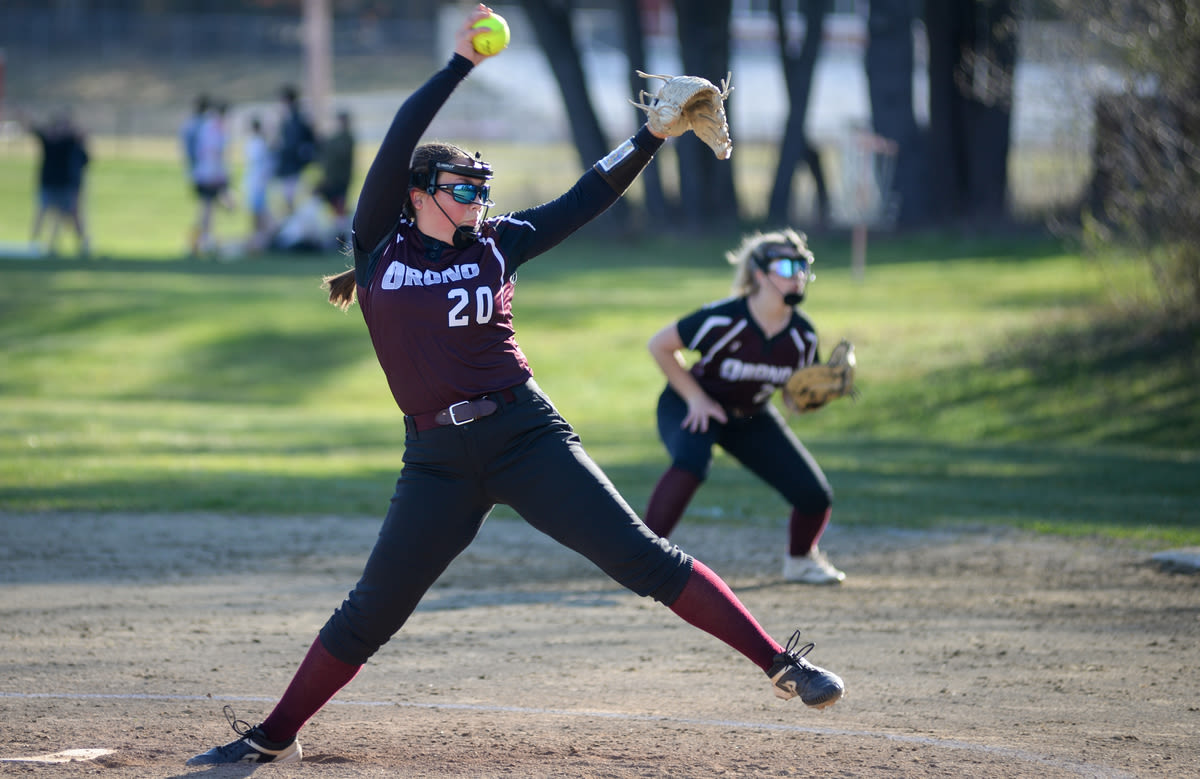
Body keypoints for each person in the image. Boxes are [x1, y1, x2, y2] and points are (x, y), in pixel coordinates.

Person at [186, 5, 844, 767]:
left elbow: (585, 196)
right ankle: (272, 735)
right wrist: (460, 64)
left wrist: (653, 137)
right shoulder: (378, 245)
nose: (477, 202)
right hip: (436, 459)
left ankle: (782, 664)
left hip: (525, 435)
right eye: (462, 189)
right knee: (370, 613)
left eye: (480, 190)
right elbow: (400, 135)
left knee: (646, 560)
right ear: (418, 192)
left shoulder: (499, 243)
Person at [643, 228, 846, 585]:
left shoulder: (803, 336)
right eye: (786, 265)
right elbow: (659, 344)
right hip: (690, 402)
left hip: (750, 415)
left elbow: (788, 392)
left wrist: (806, 400)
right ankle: (639, 557)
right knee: (691, 461)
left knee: (815, 496)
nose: (797, 274)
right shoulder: (724, 318)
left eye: (802, 265)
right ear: (759, 273)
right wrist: (696, 397)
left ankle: (800, 561)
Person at [19, 108, 90, 257]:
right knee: (43, 212)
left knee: (71, 214)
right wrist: (23, 114)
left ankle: (82, 245)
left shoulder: (71, 143)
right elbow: (33, 128)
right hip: (48, 184)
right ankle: (34, 244)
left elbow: (85, 157)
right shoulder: (48, 141)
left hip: (66, 185)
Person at [189, 100, 231, 256]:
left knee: (208, 210)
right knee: (207, 210)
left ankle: (202, 241)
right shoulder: (215, 129)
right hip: (209, 175)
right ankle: (200, 241)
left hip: (207, 174)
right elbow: (214, 154)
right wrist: (219, 176)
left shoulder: (208, 127)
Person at [273, 84, 318, 215]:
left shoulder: (296, 120)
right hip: (293, 166)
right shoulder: (291, 119)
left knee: (294, 201)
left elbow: (295, 145)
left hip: (294, 167)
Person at [314, 109, 356, 245]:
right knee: (337, 209)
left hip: (340, 180)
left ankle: (342, 238)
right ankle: (339, 236)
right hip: (334, 180)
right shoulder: (338, 137)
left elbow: (340, 153)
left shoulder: (346, 138)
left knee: (340, 209)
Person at [241, 115, 275, 252]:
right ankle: (258, 240)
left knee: (258, 214)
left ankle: (259, 240)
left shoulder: (255, 144)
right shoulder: (259, 144)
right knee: (257, 214)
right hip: (257, 183)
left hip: (256, 183)